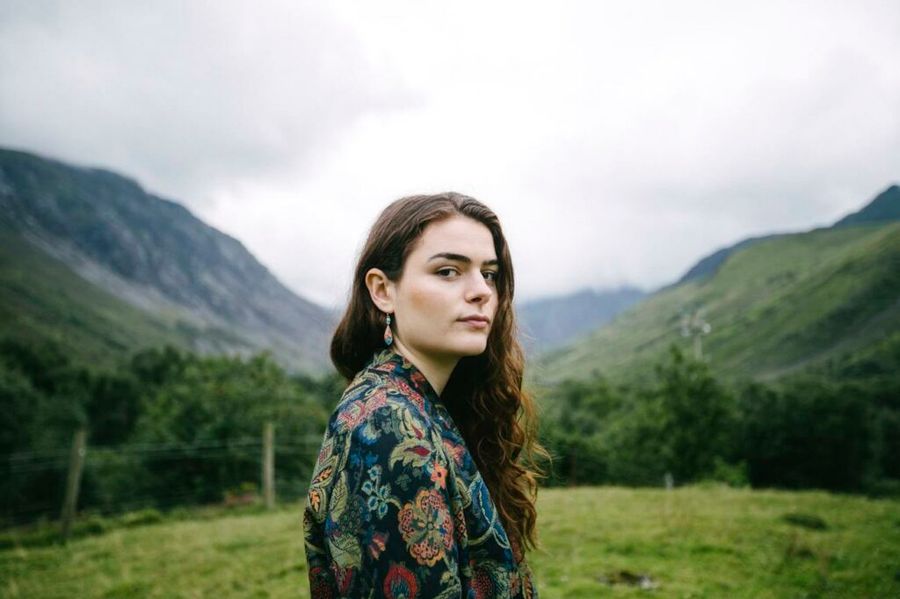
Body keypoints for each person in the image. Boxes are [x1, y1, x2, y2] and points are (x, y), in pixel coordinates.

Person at [303, 192, 544, 598]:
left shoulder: (418, 403)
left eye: (489, 273)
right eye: (449, 271)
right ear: (383, 291)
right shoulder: (387, 426)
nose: (481, 291)